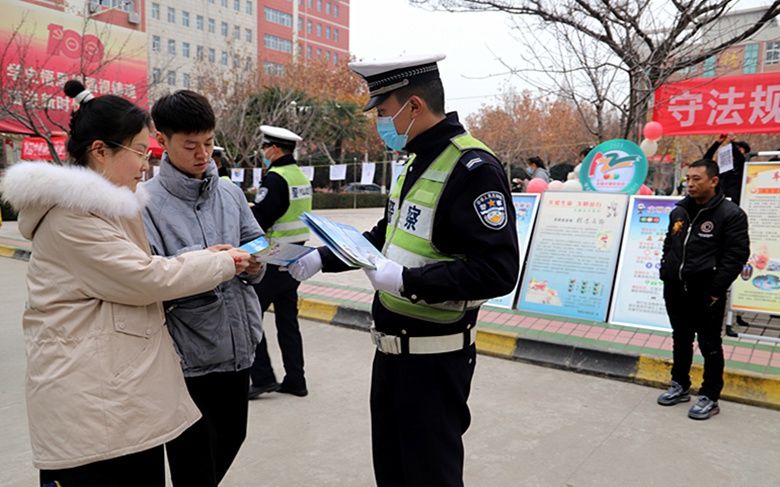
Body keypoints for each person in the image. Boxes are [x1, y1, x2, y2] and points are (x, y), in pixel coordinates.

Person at [0, 80, 253, 486]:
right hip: (95, 407)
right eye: (138, 151)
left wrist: (214, 257)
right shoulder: (72, 217)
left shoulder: (105, 207)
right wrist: (220, 262)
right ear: (100, 151)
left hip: (117, 398)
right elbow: (143, 277)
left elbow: (139, 268)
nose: (143, 164)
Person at [289, 54, 519, 486]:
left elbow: (498, 270)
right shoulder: (415, 161)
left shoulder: (473, 169)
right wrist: (325, 256)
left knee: (430, 476)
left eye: (382, 110)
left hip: (435, 361)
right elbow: (385, 234)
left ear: (413, 106)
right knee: (393, 473)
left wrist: (408, 283)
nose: (379, 121)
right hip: (391, 355)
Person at [140, 90, 265, 486]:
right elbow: (151, 275)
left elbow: (255, 239)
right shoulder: (145, 204)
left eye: (209, 143)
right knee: (193, 461)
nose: (202, 154)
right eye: (190, 145)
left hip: (238, 344)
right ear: (162, 140)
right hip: (186, 355)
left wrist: (256, 259)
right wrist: (209, 260)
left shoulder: (228, 192)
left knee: (232, 437)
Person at [658, 159, 749, 420]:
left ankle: (709, 395)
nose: (691, 184)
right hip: (675, 286)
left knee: (709, 344)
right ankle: (680, 384)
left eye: (697, 178)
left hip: (706, 291)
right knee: (681, 337)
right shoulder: (679, 211)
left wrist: (715, 289)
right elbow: (670, 243)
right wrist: (667, 271)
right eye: (689, 178)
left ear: (713, 181)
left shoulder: (730, 214)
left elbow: (737, 255)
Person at [248, 125, 313, 399]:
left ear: (274, 149)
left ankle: (262, 377)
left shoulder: (275, 178)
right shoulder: (300, 176)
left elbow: (263, 218)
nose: (263, 153)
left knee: (250, 317)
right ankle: (296, 380)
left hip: (273, 258)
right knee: (288, 322)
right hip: (295, 258)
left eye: (265, 148)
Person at [703, 134, 750, 205]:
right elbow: (706, 160)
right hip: (718, 199)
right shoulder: (721, 166)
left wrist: (732, 143)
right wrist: (717, 143)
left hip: (734, 201)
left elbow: (739, 158)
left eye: (739, 149)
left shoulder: (743, 166)